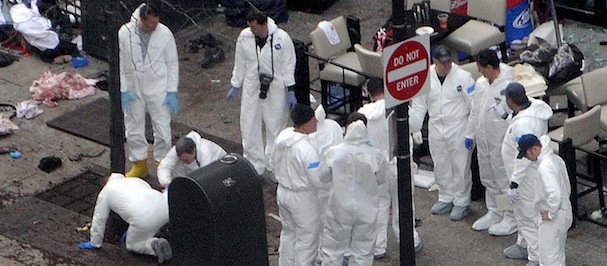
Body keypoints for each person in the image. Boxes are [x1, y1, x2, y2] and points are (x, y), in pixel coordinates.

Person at [226, 10, 297, 177]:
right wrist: (236, 85)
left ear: (263, 24)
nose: (252, 31)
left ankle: (274, 165)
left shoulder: (282, 38)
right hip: (252, 85)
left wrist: (291, 89)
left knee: (275, 126)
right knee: (249, 123)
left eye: (254, 27)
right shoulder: (245, 37)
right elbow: (240, 62)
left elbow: (288, 65)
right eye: (250, 27)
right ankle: (254, 164)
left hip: (276, 85)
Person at [409, 44, 476, 221]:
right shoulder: (425, 77)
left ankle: (462, 201)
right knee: (441, 164)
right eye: (443, 63)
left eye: (448, 62)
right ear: (435, 61)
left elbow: (474, 107)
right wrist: (414, 127)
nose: (446, 66)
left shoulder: (463, 77)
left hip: (458, 127)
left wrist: (470, 132)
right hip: (436, 127)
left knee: (460, 166)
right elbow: (419, 104)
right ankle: (446, 196)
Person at [357, 78, 422, 258]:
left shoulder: (363, 114)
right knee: (404, 204)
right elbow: (416, 125)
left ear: (369, 93)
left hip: (377, 168)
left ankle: (378, 246)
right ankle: (410, 240)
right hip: (399, 165)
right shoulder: (398, 107)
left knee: (379, 205)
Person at [119, 2, 179, 178]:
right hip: (133, 88)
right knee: (133, 127)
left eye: (156, 22)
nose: (154, 26)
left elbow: (172, 63)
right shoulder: (125, 33)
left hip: (158, 88)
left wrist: (171, 91)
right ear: (141, 19)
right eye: (150, 23)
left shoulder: (165, 34)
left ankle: (163, 164)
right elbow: (122, 61)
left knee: (162, 129)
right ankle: (139, 164)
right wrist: (124, 88)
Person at [319, 114, 387, 266]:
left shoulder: (334, 153)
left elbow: (322, 177)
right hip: (366, 209)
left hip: (339, 207)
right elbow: (382, 178)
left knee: (333, 249)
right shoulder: (375, 154)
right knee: (363, 251)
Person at [500, 82, 553, 264]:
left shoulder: (525, 125)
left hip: (525, 177)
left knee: (527, 215)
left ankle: (536, 256)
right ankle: (523, 244)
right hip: (522, 175)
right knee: (521, 213)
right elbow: (517, 122)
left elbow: (523, 158)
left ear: (511, 100)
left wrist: (515, 183)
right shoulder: (531, 106)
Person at [468, 49, 517, 235]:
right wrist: (469, 134)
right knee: (488, 178)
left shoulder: (507, 87)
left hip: (500, 143)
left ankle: (510, 217)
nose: (480, 72)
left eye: (481, 68)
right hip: (484, 141)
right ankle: (494, 211)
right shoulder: (481, 84)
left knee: (502, 180)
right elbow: (475, 111)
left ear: (489, 67)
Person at [78, 173, 172, 264]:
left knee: (133, 245)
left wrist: (95, 243)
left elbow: (99, 218)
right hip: (165, 208)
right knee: (150, 224)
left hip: (144, 219)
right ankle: (158, 233)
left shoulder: (106, 191)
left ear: (104, 185)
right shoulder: (134, 180)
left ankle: (153, 245)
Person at [271, 104, 321, 265]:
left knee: (289, 233)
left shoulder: (281, 139)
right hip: (303, 197)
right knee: (307, 239)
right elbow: (317, 179)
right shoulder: (306, 149)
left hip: (283, 191)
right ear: (307, 123)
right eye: (314, 120)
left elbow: (271, 163)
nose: (317, 123)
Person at [516, 134, 572, 266]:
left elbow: (555, 194)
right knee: (557, 253)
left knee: (549, 258)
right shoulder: (556, 159)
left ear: (534, 149)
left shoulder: (544, 168)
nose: (526, 158)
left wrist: (550, 212)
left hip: (553, 218)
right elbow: (566, 185)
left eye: (526, 154)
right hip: (564, 211)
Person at [9, 0, 79, 63]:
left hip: (41, 48)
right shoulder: (26, 25)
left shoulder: (18, 24)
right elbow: (45, 26)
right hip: (51, 44)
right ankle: (67, 57)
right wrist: (56, 22)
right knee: (72, 48)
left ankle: (54, 58)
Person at [157, 131, 227, 188]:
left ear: (193, 151)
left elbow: (205, 178)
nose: (184, 163)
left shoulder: (206, 154)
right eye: (182, 160)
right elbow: (164, 167)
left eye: (186, 160)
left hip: (219, 171)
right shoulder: (176, 150)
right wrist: (167, 184)